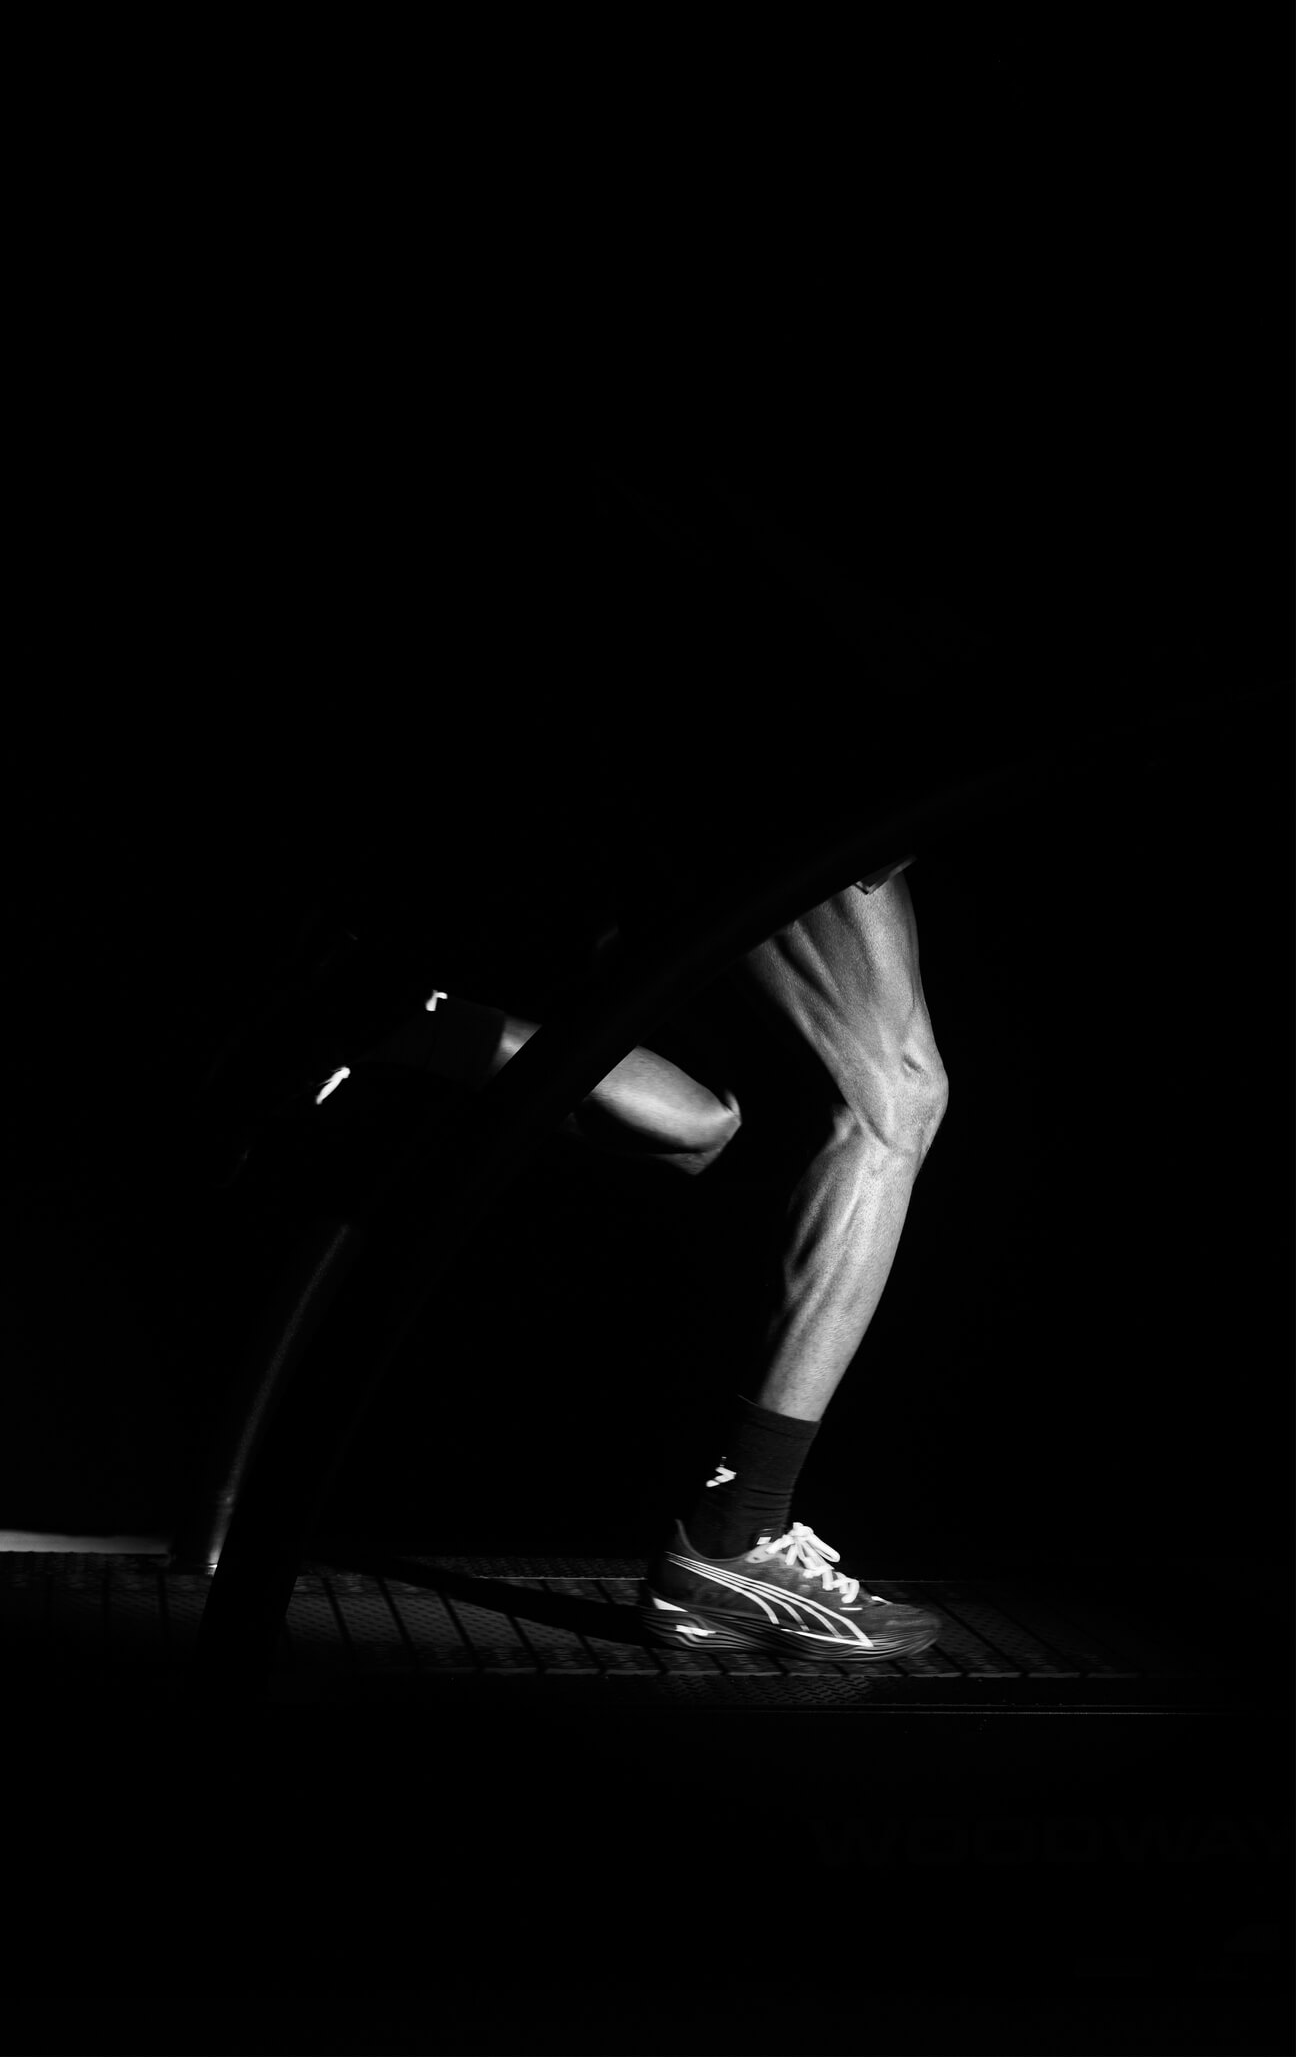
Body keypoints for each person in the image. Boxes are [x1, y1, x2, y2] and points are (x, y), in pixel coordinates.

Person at [327, 463, 955, 1663]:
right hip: (765, 726)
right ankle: (735, 1530)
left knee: (711, 1131)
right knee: (893, 1102)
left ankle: (419, 1022)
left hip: (700, 718)